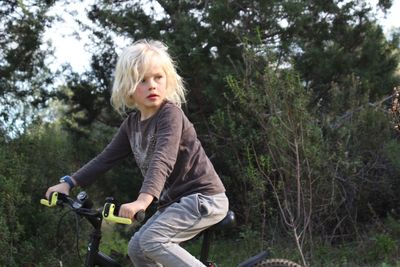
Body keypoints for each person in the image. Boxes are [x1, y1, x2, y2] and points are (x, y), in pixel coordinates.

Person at [45, 39, 229, 267]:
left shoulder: (170, 115)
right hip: (176, 203)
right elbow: (105, 159)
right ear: (128, 88)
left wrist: (142, 201)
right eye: (142, 80)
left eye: (158, 77)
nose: (152, 85)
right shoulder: (132, 125)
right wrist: (68, 182)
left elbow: (163, 159)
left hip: (203, 197)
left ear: (168, 80)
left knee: (152, 241)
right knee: (137, 248)